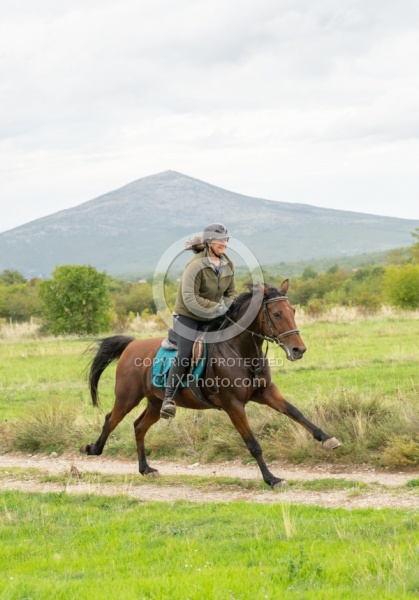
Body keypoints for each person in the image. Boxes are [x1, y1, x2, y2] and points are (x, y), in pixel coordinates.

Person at [160, 223, 237, 419]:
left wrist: (230, 307)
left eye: (226, 240)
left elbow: (231, 293)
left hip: (213, 315)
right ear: (209, 243)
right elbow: (189, 298)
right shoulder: (195, 265)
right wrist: (217, 307)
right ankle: (168, 399)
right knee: (185, 354)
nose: (224, 244)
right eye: (220, 241)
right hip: (188, 317)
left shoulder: (227, 264)